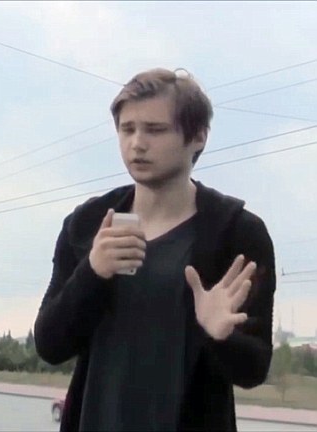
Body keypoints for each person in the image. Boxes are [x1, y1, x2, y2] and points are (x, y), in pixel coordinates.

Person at [34, 68, 276, 432]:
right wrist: (92, 272)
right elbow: (50, 345)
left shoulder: (236, 232)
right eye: (127, 129)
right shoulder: (87, 224)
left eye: (155, 129)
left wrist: (219, 335)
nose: (137, 143)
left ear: (198, 136)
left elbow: (254, 370)